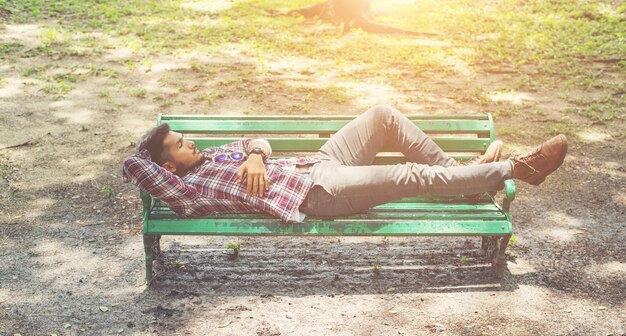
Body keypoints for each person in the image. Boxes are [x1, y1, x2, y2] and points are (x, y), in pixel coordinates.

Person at [122, 105, 567, 222]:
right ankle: (519, 170)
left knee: (382, 116)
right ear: (170, 168)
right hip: (317, 192)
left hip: (318, 162)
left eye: (185, 137)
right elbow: (134, 166)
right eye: (180, 145)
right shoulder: (188, 190)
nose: (191, 142)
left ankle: (464, 177)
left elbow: (257, 139)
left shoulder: (215, 156)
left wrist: (256, 153)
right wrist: (147, 149)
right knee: (409, 175)